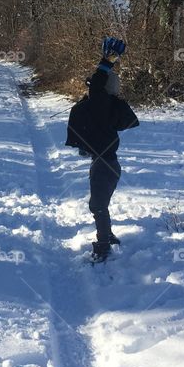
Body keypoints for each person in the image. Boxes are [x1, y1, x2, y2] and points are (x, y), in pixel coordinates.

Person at [65, 37, 139, 261]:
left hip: (105, 166)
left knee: (97, 206)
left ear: (102, 91)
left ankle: (103, 246)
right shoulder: (108, 107)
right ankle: (107, 235)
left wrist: (106, 61)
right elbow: (96, 88)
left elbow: (97, 84)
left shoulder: (102, 103)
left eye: (94, 88)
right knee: (99, 204)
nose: (90, 88)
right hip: (106, 164)